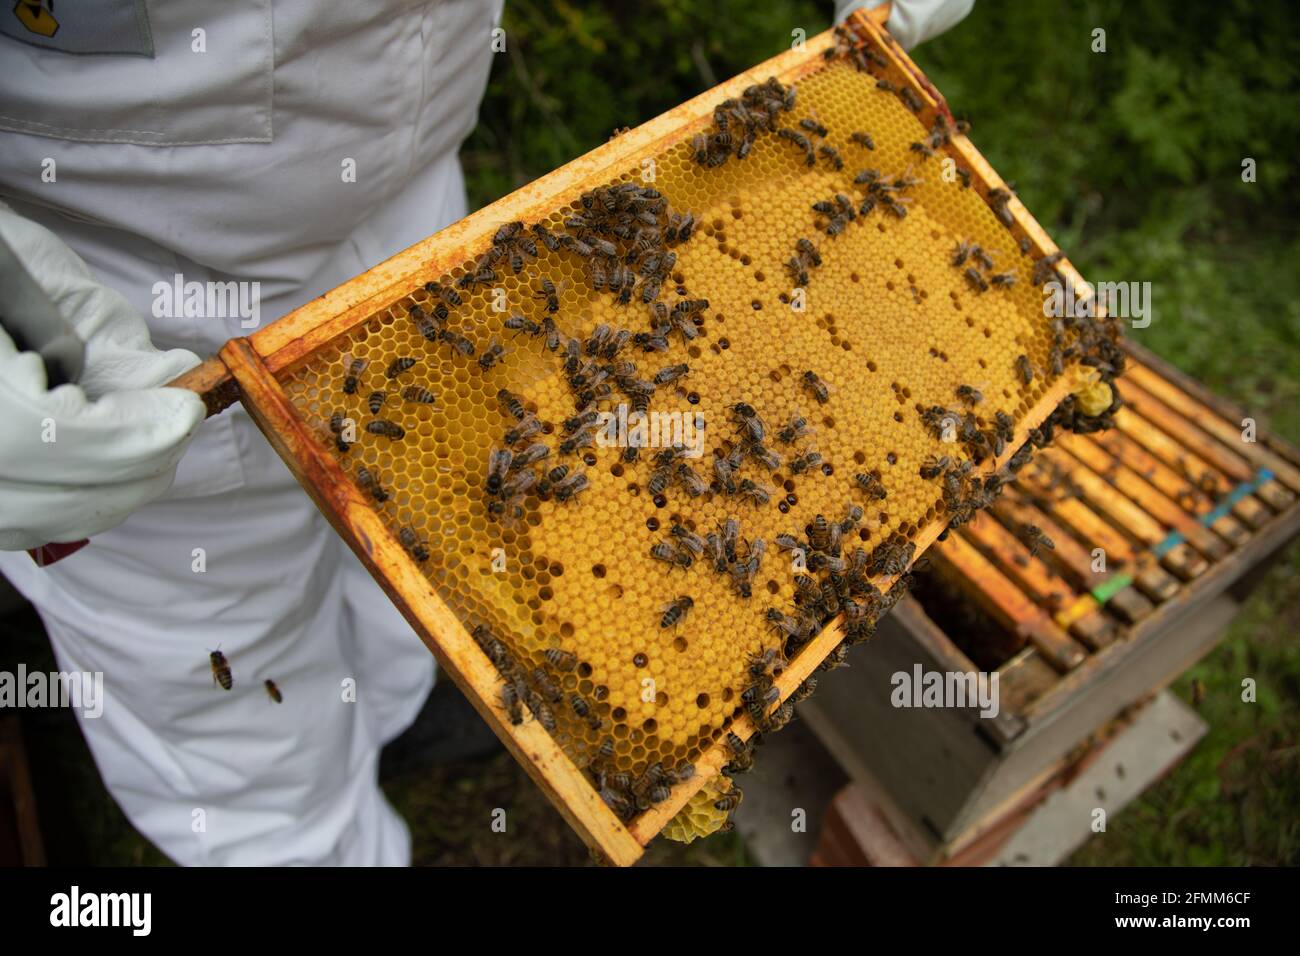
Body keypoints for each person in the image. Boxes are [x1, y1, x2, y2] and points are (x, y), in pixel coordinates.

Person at [0, 0, 971, 866]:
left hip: (419, 221)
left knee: (434, 541)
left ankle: (388, 711)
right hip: (105, 306)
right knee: (231, 696)